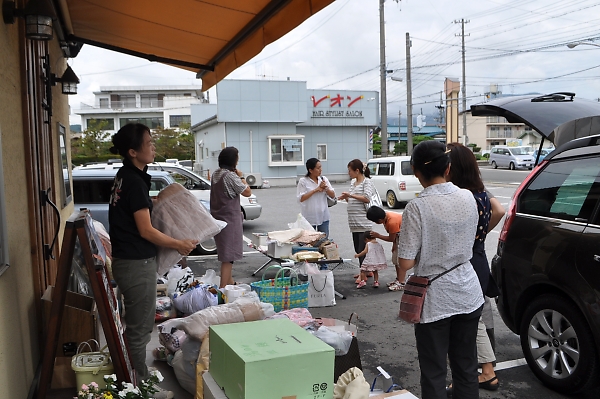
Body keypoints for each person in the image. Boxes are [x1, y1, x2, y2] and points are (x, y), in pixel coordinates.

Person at [108, 123, 197, 396]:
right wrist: (179, 244)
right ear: (133, 151)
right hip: (135, 264)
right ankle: (141, 388)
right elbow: (145, 230)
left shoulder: (127, 176)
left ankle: (131, 378)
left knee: (135, 325)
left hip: (129, 261)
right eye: (148, 143)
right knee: (139, 328)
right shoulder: (133, 181)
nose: (153, 146)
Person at [397, 140, 484, 399]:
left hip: (435, 301)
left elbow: (405, 263)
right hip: (468, 291)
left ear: (415, 170)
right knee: (466, 367)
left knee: (434, 372)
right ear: (448, 168)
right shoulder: (468, 196)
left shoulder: (417, 207)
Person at [445, 143, 506, 395]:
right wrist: (480, 237)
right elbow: (500, 209)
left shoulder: (460, 196)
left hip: (464, 262)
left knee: (463, 321)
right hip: (478, 258)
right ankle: (487, 371)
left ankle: (473, 376)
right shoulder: (480, 192)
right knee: (476, 317)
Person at [210, 146, 252, 288]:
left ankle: (230, 281)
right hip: (229, 219)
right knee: (228, 257)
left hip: (218, 217)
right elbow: (247, 192)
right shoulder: (230, 176)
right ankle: (222, 289)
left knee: (226, 251)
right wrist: (241, 177)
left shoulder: (216, 174)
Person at [338, 159, 374, 269]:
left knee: (363, 249)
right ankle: (364, 271)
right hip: (354, 223)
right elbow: (353, 201)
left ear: (357, 170)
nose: (349, 173)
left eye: (350, 171)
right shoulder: (353, 183)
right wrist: (347, 198)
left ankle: (364, 273)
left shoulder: (367, 182)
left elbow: (366, 198)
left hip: (363, 222)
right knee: (358, 249)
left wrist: (351, 195)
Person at [366, 206, 405, 291]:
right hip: (399, 238)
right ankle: (398, 279)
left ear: (379, 220)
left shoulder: (392, 222)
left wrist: (378, 235)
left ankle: (402, 282)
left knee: (400, 262)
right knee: (395, 260)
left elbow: (391, 238)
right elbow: (394, 237)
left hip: (405, 239)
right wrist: (394, 245)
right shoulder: (386, 216)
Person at [297, 158, 336, 237]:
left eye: (320, 167)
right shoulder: (303, 181)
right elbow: (301, 198)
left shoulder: (323, 179)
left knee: (324, 240)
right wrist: (316, 190)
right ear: (310, 170)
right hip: (309, 217)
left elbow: (333, 195)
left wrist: (326, 188)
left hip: (324, 215)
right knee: (309, 241)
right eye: (318, 168)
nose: (320, 170)